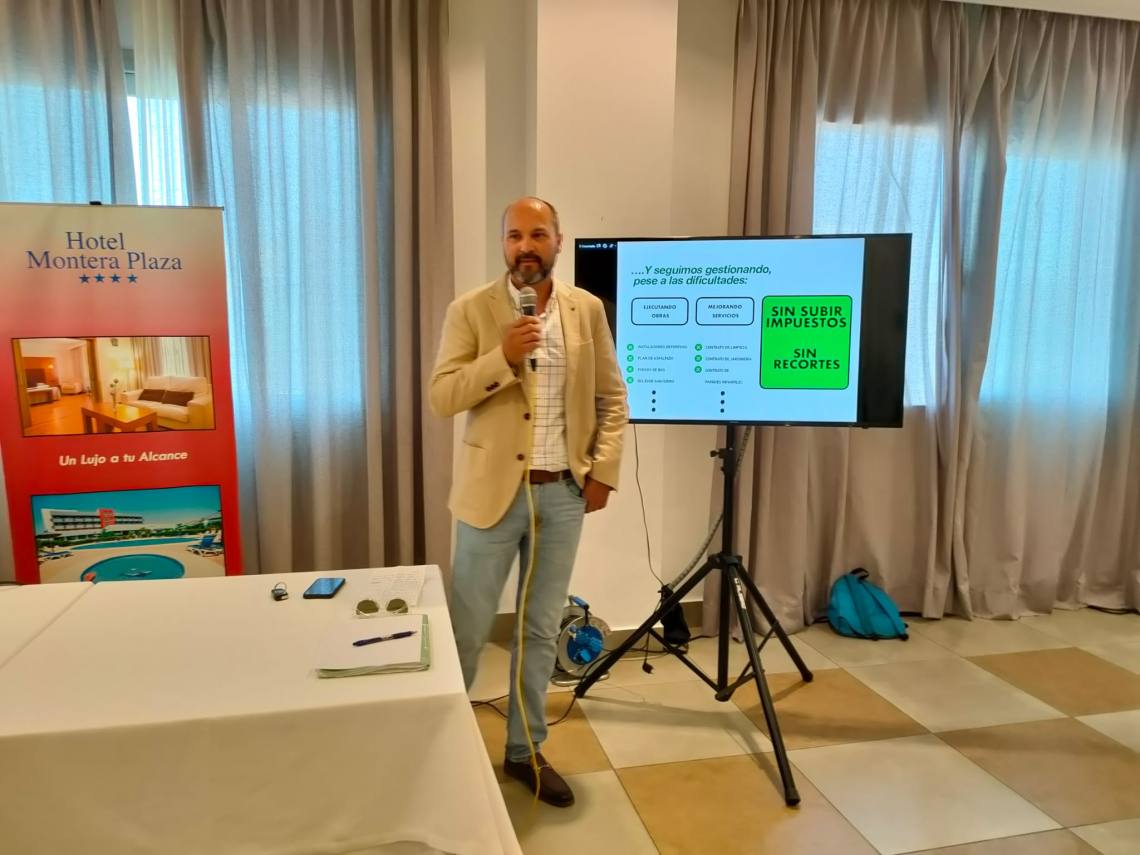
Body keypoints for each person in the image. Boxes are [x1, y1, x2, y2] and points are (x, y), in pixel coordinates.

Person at [430, 196, 628, 807]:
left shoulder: (586, 309)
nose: (525, 246)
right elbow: (443, 397)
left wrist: (603, 472)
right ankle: (443, 753)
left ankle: (524, 751)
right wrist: (503, 357)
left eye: (538, 234)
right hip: (490, 497)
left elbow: (612, 399)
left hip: (562, 495)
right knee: (466, 630)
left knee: (540, 630)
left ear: (558, 242)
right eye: (514, 235)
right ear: (503, 244)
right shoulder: (470, 310)